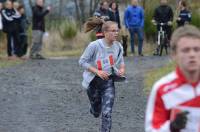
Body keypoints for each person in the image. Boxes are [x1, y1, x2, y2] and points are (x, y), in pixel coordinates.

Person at [145, 25, 200, 132]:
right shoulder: (162, 88)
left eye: (197, 49)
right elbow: (152, 129)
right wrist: (172, 127)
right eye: (186, 50)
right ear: (174, 54)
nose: (192, 54)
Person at [79, 21, 125, 132]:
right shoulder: (94, 46)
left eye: (117, 30)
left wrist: (122, 70)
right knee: (96, 112)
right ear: (105, 32)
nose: (116, 33)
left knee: (107, 113)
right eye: (113, 31)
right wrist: (96, 71)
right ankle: (94, 109)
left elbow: (121, 62)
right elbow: (82, 62)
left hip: (108, 83)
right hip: (93, 83)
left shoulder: (118, 46)